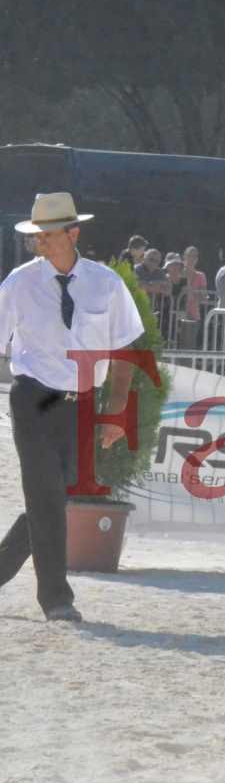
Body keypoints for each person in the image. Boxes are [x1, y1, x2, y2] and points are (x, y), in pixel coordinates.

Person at [0, 193, 144, 622]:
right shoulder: (18, 284)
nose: (38, 242)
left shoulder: (107, 283)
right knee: (46, 495)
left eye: (46, 234)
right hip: (33, 399)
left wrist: (117, 410)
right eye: (36, 235)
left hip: (81, 404)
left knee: (54, 499)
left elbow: (125, 350)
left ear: (73, 233)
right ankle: (56, 598)